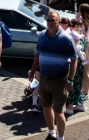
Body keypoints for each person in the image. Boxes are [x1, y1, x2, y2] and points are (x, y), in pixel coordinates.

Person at [28, 10, 78, 140]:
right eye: (48, 20)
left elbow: (74, 59)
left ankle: (61, 137)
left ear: (58, 21)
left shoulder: (66, 39)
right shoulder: (42, 36)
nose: (50, 22)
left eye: (53, 20)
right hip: (44, 79)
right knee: (45, 106)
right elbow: (37, 54)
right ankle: (51, 132)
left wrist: (70, 80)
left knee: (58, 111)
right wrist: (33, 70)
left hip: (60, 81)